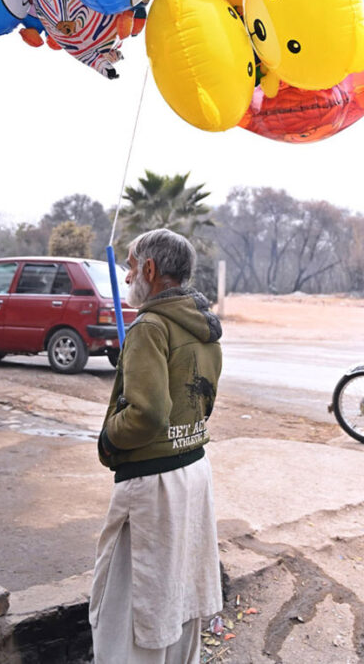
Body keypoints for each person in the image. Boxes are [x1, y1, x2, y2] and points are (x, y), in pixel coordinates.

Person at [89, 228, 223, 663]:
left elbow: (147, 414)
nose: (127, 277)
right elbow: (201, 403)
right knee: (178, 593)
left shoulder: (150, 326)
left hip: (152, 485)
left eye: (130, 266)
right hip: (193, 473)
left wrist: (109, 438)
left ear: (149, 269)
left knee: (127, 605)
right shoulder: (203, 325)